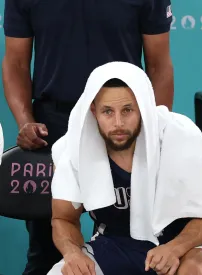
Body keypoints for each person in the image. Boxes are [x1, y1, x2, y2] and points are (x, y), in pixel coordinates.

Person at [2, 1, 175, 274]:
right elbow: (16, 62)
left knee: (125, 241)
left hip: (122, 122)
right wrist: (26, 122)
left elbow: (159, 65)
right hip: (53, 126)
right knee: (46, 249)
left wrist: (156, 130)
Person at [47, 62, 202, 275]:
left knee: (196, 271)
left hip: (184, 242)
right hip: (115, 243)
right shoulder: (73, 150)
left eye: (127, 110)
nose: (118, 123)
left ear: (143, 107)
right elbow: (63, 218)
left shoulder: (180, 138)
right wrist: (72, 253)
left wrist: (175, 247)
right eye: (107, 112)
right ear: (93, 111)